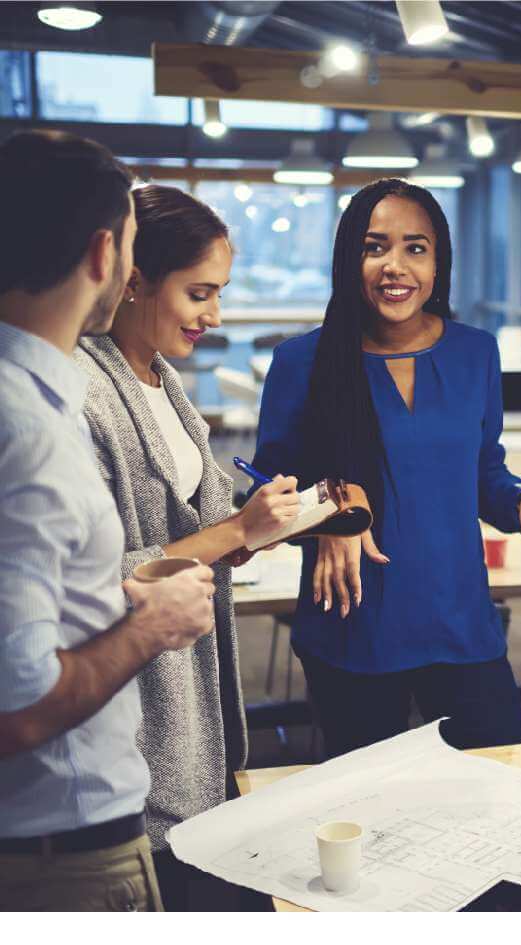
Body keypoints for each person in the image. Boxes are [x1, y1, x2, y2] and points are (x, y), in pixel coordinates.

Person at [252, 178, 521, 757]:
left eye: (416, 248)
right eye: (375, 247)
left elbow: (484, 470)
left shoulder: (474, 353)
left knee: (502, 782)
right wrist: (333, 507)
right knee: (372, 816)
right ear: (349, 258)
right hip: (353, 630)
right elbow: (268, 491)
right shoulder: (303, 362)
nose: (396, 266)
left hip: (459, 621)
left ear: (439, 263)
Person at [0, 131, 215, 911]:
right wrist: (151, 627)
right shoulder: (25, 428)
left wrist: (114, 594)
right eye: (130, 246)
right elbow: (15, 707)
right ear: (104, 255)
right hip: (61, 851)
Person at [74, 184, 300, 909]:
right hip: (135, 727)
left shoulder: (163, 380)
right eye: (200, 293)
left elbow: (184, 537)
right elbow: (93, 575)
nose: (216, 315)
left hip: (197, 718)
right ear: (134, 278)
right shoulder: (82, 391)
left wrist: (246, 527)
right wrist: (232, 531)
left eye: (222, 293)